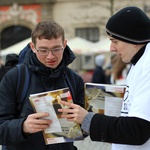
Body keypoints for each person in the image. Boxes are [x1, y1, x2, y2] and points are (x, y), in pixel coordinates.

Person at [58, 6, 150, 150]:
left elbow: (138, 130)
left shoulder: (147, 65)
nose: (111, 48)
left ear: (132, 39)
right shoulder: (138, 62)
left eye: (115, 41)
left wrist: (88, 119)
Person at [0, 20, 84, 150]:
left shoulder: (75, 80)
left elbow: (84, 131)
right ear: (33, 47)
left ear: (65, 44)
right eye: (43, 50)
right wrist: (23, 127)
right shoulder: (15, 77)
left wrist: (85, 120)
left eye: (56, 49)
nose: (50, 56)